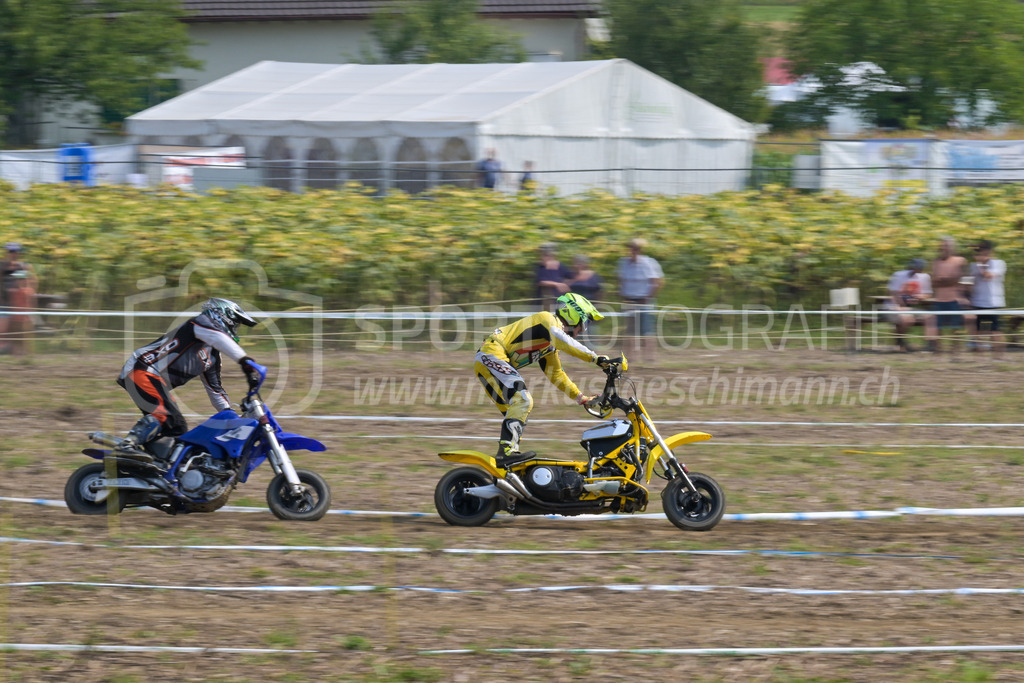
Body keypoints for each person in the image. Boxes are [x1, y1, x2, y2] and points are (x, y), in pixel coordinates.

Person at [115, 297, 264, 463]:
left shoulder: (213, 357)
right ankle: (127, 445)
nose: (236, 329)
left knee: (177, 428)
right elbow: (217, 337)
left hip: (153, 379)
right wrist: (244, 361)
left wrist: (229, 415)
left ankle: (153, 463)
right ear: (222, 316)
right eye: (235, 324)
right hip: (142, 369)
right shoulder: (199, 324)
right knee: (166, 415)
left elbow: (215, 390)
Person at [475, 293, 609, 467]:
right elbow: (563, 340)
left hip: (487, 361)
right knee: (523, 400)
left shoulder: (550, 344)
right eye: (585, 323)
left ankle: (508, 468)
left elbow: (556, 374)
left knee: (517, 412)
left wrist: (580, 397)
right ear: (574, 314)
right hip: (491, 354)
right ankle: (506, 454)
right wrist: (596, 358)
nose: (583, 330)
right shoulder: (548, 321)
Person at [617, 237, 663, 361]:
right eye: (630, 248)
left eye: (635, 248)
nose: (632, 250)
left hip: (644, 300)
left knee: (647, 329)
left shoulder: (649, 262)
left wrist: (648, 298)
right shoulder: (623, 262)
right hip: (629, 299)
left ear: (639, 250)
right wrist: (622, 295)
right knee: (630, 330)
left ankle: (650, 358)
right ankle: (630, 358)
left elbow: (657, 282)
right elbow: (621, 280)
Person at [924, 236, 967, 353]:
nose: (943, 247)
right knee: (937, 327)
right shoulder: (935, 262)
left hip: (954, 300)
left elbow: (956, 279)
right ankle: (939, 349)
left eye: (946, 245)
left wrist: (942, 280)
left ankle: (955, 349)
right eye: (942, 245)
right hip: (939, 300)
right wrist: (945, 280)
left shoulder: (959, 260)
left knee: (956, 326)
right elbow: (933, 281)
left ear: (952, 247)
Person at [965, 239, 1006, 357]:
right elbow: (968, 283)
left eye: (982, 250)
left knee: (995, 332)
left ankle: (998, 358)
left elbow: (988, 276)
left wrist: (981, 265)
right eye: (977, 251)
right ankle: (980, 360)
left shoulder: (999, 263)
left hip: (994, 303)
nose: (979, 253)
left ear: (990, 251)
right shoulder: (973, 265)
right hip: (977, 302)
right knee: (978, 332)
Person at [883, 258, 932, 351]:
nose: (914, 270)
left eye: (918, 268)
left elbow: (928, 294)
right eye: (913, 267)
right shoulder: (898, 275)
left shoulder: (924, 277)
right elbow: (892, 294)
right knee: (906, 319)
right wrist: (899, 307)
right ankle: (900, 342)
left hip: (909, 307)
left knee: (930, 317)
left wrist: (922, 297)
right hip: (892, 306)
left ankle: (929, 345)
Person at [0, 243, 38, 356]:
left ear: (19, 253)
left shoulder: (24, 266)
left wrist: (28, 294)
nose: (13, 254)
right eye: (11, 252)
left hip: (19, 302)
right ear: (7, 253)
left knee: (19, 328)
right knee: (3, 328)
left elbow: (32, 282)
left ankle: (19, 352)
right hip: (4, 302)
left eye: (16, 252)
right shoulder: (2, 266)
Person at [535, 242, 572, 310]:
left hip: (560, 301)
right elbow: (541, 281)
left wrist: (566, 285)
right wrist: (556, 284)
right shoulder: (541, 267)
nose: (545, 257)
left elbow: (570, 278)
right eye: (544, 255)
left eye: (548, 255)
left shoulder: (561, 266)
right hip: (545, 302)